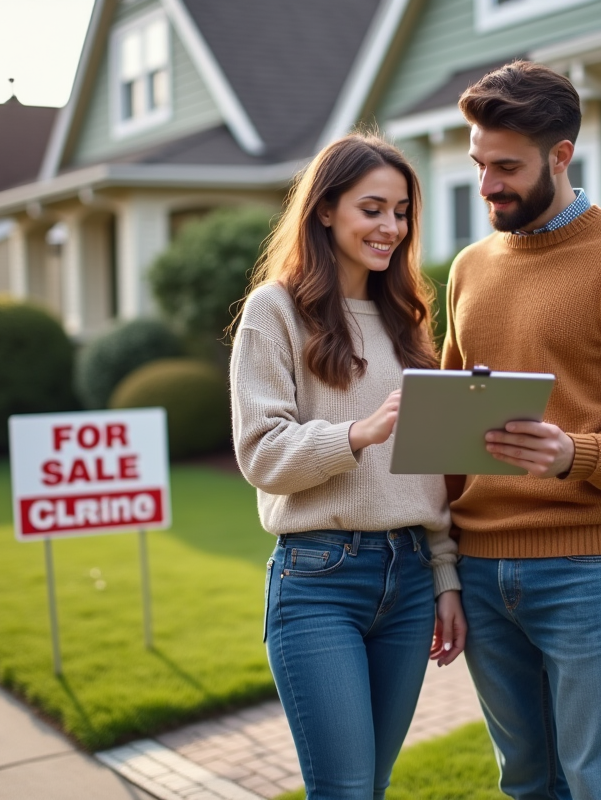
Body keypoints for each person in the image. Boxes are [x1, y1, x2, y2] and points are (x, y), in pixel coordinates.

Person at [443, 61, 601, 799]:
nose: (488, 184)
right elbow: (450, 424)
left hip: (586, 569)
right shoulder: (468, 269)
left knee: (599, 782)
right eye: (479, 164)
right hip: (480, 572)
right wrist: (440, 569)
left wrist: (575, 452)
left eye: (507, 167)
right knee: (526, 782)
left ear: (562, 155)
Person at [230, 132, 466, 800]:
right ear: (326, 209)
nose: (390, 227)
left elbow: (432, 470)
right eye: (372, 209)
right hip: (320, 582)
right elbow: (261, 454)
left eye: (401, 212)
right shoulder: (274, 311)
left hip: (413, 579)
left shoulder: (406, 321)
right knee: (345, 790)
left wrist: (445, 575)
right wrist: (357, 434)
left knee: (374, 784)